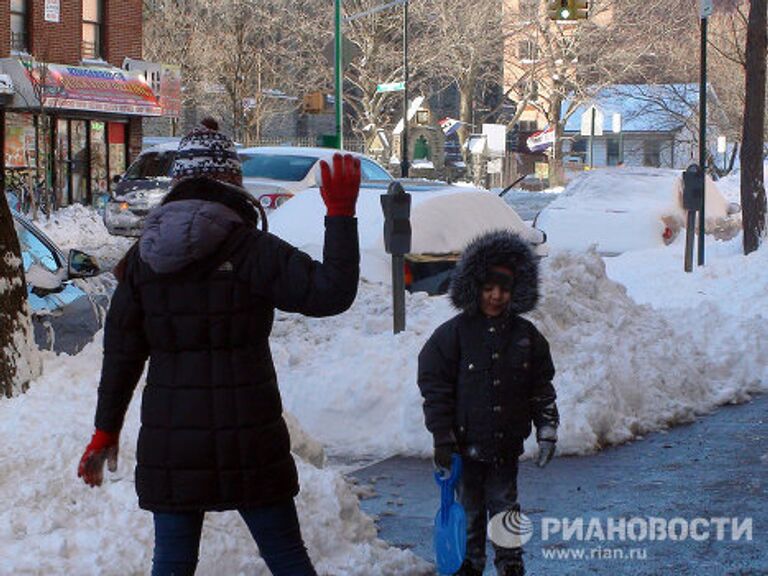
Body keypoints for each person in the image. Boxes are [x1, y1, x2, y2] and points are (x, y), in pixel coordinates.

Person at [77, 118, 361, 576]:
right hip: (250, 434)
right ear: (233, 182)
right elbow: (330, 293)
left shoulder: (142, 260)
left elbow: (121, 356)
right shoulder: (250, 248)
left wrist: (104, 432)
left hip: (172, 442)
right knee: (288, 558)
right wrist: (341, 215)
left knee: (171, 564)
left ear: (178, 184)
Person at [417, 230, 560, 576]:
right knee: (468, 519)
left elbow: (541, 387)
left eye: (505, 290)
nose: (496, 297)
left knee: (505, 513)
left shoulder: (527, 338)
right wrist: (442, 437)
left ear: (516, 291)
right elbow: (435, 387)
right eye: (488, 289)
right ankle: (469, 568)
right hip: (463, 452)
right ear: (474, 288)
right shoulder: (453, 335)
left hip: (503, 450)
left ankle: (510, 568)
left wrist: (547, 428)